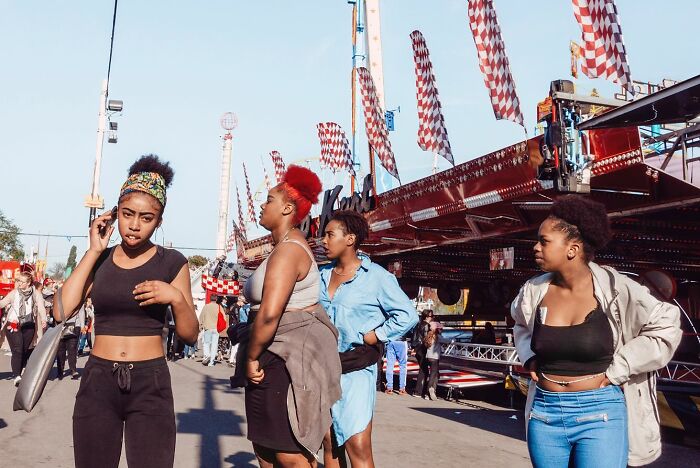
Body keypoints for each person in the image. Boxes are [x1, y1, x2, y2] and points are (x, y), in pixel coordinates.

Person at [511, 195, 682, 467]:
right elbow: (520, 324)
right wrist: (528, 355)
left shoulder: (617, 288)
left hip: (600, 413)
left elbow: (667, 322)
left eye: (544, 241)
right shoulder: (533, 291)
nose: (535, 247)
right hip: (544, 415)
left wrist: (620, 368)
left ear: (572, 249)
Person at [55, 155, 199, 468]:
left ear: (159, 221)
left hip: (151, 382)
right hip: (98, 381)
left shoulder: (172, 263)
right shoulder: (100, 260)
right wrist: (93, 251)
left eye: (146, 218)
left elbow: (189, 335)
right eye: (127, 214)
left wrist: (175, 297)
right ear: (115, 213)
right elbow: (61, 310)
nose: (134, 225)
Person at [244, 165, 341, 467]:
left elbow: (271, 314)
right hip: (272, 354)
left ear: (287, 208)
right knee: (265, 449)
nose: (262, 205)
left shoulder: (289, 250)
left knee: (288, 453)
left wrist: (251, 356)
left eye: (269, 199)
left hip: (283, 360)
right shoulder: (281, 248)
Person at [320, 210, 418, 468]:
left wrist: (377, 334)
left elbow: (408, 315)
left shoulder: (376, 277)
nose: (324, 240)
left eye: (330, 235)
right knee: (329, 442)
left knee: (358, 445)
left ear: (350, 239)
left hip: (355, 370)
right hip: (321, 369)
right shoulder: (320, 276)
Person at [0, 271, 47, 386]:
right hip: (13, 324)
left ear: (28, 282)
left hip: (29, 325)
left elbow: (41, 306)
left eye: (21, 281)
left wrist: (44, 319)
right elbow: (2, 303)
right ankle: (16, 376)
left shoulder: (36, 293)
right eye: (18, 281)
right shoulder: (14, 293)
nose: (18, 283)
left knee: (25, 350)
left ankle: (20, 372)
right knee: (18, 350)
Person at [414, 315, 442, 400]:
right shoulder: (438, 337)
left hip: (427, 357)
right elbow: (448, 341)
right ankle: (430, 389)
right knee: (433, 374)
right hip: (435, 358)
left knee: (432, 373)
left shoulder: (428, 336)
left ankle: (427, 393)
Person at [199, 295, 222, 366]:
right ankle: (211, 362)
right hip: (216, 328)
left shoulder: (206, 306)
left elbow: (201, 316)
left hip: (207, 327)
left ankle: (207, 355)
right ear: (216, 299)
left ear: (210, 299)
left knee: (206, 343)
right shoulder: (219, 307)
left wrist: (201, 325)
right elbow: (223, 317)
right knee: (214, 345)